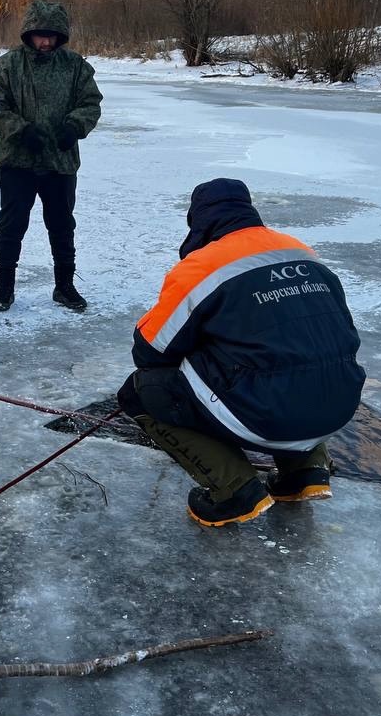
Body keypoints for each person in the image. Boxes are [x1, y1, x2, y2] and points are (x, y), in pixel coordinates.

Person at [117, 179, 365, 528]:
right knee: (297, 360)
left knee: (142, 390)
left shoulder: (204, 265)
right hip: (338, 403)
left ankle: (234, 489)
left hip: (268, 412)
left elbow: (151, 350)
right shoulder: (300, 251)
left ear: (198, 219)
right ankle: (306, 472)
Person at [0, 0, 102, 313]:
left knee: (62, 225)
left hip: (60, 162)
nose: (46, 41)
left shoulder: (75, 66)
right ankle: (4, 288)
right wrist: (20, 130)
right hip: (16, 162)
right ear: (29, 33)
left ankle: (65, 286)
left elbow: (90, 103)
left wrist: (74, 126)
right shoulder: (7, 66)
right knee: (11, 225)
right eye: (40, 35)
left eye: (52, 35)